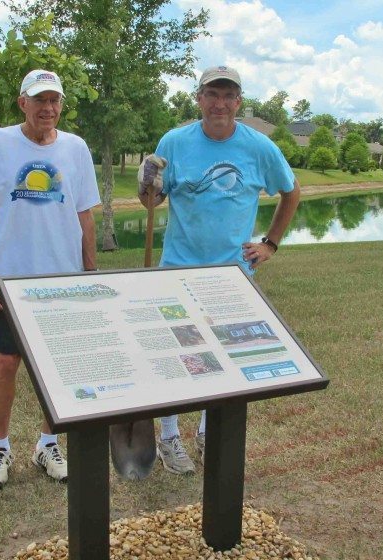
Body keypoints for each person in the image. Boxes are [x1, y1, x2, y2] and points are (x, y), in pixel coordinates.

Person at [139, 65, 300, 474]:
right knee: (178, 353)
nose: (220, 104)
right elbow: (151, 203)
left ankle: (209, 431)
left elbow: (290, 190)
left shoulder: (259, 147)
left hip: (231, 276)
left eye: (229, 96)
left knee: (224, 357)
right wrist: (147, 184)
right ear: (199, 98)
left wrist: (271, 243)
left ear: (239, 102)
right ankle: (169, 436)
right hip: (177, 268)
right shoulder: (174, 142)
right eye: (212, 94)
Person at [0, 69, 100, 488]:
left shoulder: (76, 148)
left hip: (64, 280)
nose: (49, 108)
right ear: (23, 103)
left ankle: (48, 443)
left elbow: (85, 212)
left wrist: (90, 271)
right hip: (11, 281)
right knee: (7, 362)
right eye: (40, 100)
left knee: (57, 367)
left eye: (55, 100)